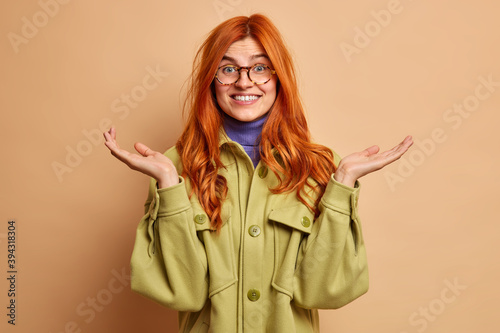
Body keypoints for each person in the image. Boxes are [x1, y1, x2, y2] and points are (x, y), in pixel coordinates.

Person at [103, 13, 413, 333]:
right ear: (212, 79)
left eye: (260, 67)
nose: (244, 81)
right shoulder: (175, 166)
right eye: (228, 69)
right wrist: (169, 186)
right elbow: (185, 293)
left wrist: (343, 184)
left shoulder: (321, 168)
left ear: (279, 77)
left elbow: (323, 291)